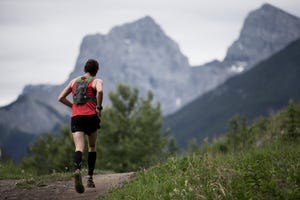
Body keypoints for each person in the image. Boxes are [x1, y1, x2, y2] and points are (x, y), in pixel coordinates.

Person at [58, 59, 103, 193]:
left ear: (85, 69)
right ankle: (89, 178)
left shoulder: (73, 81)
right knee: (92, 146)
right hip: (91, 117)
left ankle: (77, 170)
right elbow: (99, 92)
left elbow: (60, 97)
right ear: (96, 70)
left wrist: (73, 106)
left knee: (79, 147)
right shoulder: (96, 81)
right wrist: (99, 107)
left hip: (76, 117)